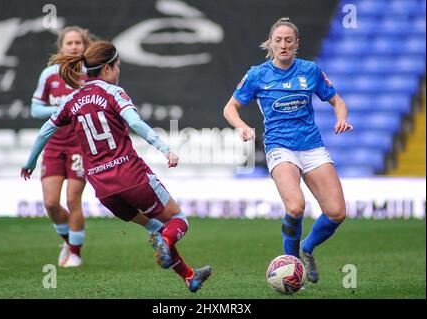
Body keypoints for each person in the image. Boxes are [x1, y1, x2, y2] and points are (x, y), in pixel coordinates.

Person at [21, 41, 212, 293]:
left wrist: (29, 163)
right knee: (178, 221)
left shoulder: (72, 100)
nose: (118, 72)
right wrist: (165, 149)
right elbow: (136, 122)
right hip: (132, 177)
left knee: (155, 228)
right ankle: (167, 241)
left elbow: (46, 130)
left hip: (104, 190)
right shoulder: (113, 92)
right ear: (108, 68)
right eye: (118, 66)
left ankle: (189, 276)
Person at [223, 17, 352, 284]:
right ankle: (294, 270)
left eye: (289, 40)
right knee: (295, 207)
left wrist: (341, 117)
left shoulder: (311, 71)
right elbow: (229, 108)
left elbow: (337, 100)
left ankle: (306, 248)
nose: (283, 45)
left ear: (297, 44)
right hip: (280, 147)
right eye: (278, 40)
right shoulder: (258, 74)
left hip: (312, 146)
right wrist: (242, 127)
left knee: (337, 212)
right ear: (270, 44)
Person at [31, 26, 95, 268]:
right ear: (61, 47)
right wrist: (65, 108)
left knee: (73, 199)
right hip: (54, 145)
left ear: (85, 45)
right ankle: (70, 241)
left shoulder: (90, 73)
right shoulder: (49, 74)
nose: (74, 46)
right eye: (69, 43)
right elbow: (35, 109)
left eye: (78, 42)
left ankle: (76, 253)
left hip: (80, 145)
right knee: (50, 202)